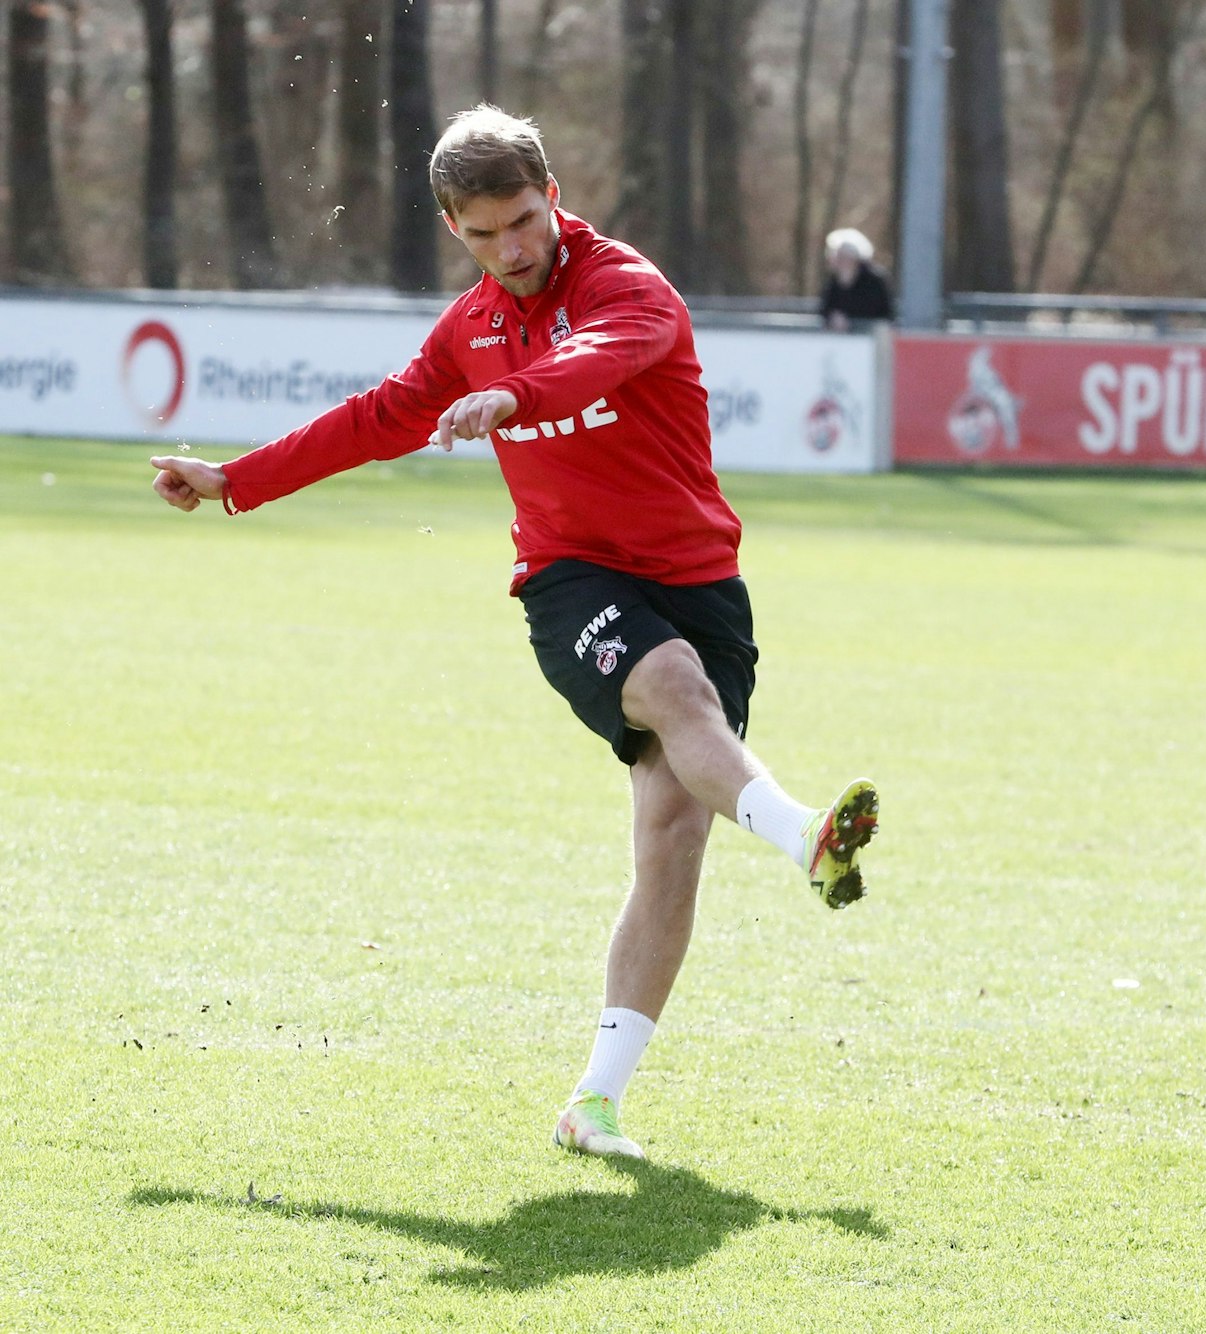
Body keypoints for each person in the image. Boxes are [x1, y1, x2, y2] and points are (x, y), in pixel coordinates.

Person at [148, 106, 880, 1162]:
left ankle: (594, 1102)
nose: (513, 249)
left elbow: (592, 362)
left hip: (700, 579)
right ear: (454, 225)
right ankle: (808, 834)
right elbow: (375, 417)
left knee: (671, 836)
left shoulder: (628, 287)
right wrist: (237, 480)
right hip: (570, 580)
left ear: (553, 192)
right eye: (484, 234)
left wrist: (509, 397)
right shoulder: (468, 327)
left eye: (526, 222)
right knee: (673, 688)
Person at [817, 228, 895, 331]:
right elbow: (825, 308)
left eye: (843, 256)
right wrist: (833, 318)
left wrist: (851, 321)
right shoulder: (833, 281)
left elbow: (882, 312)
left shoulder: (875, 281)